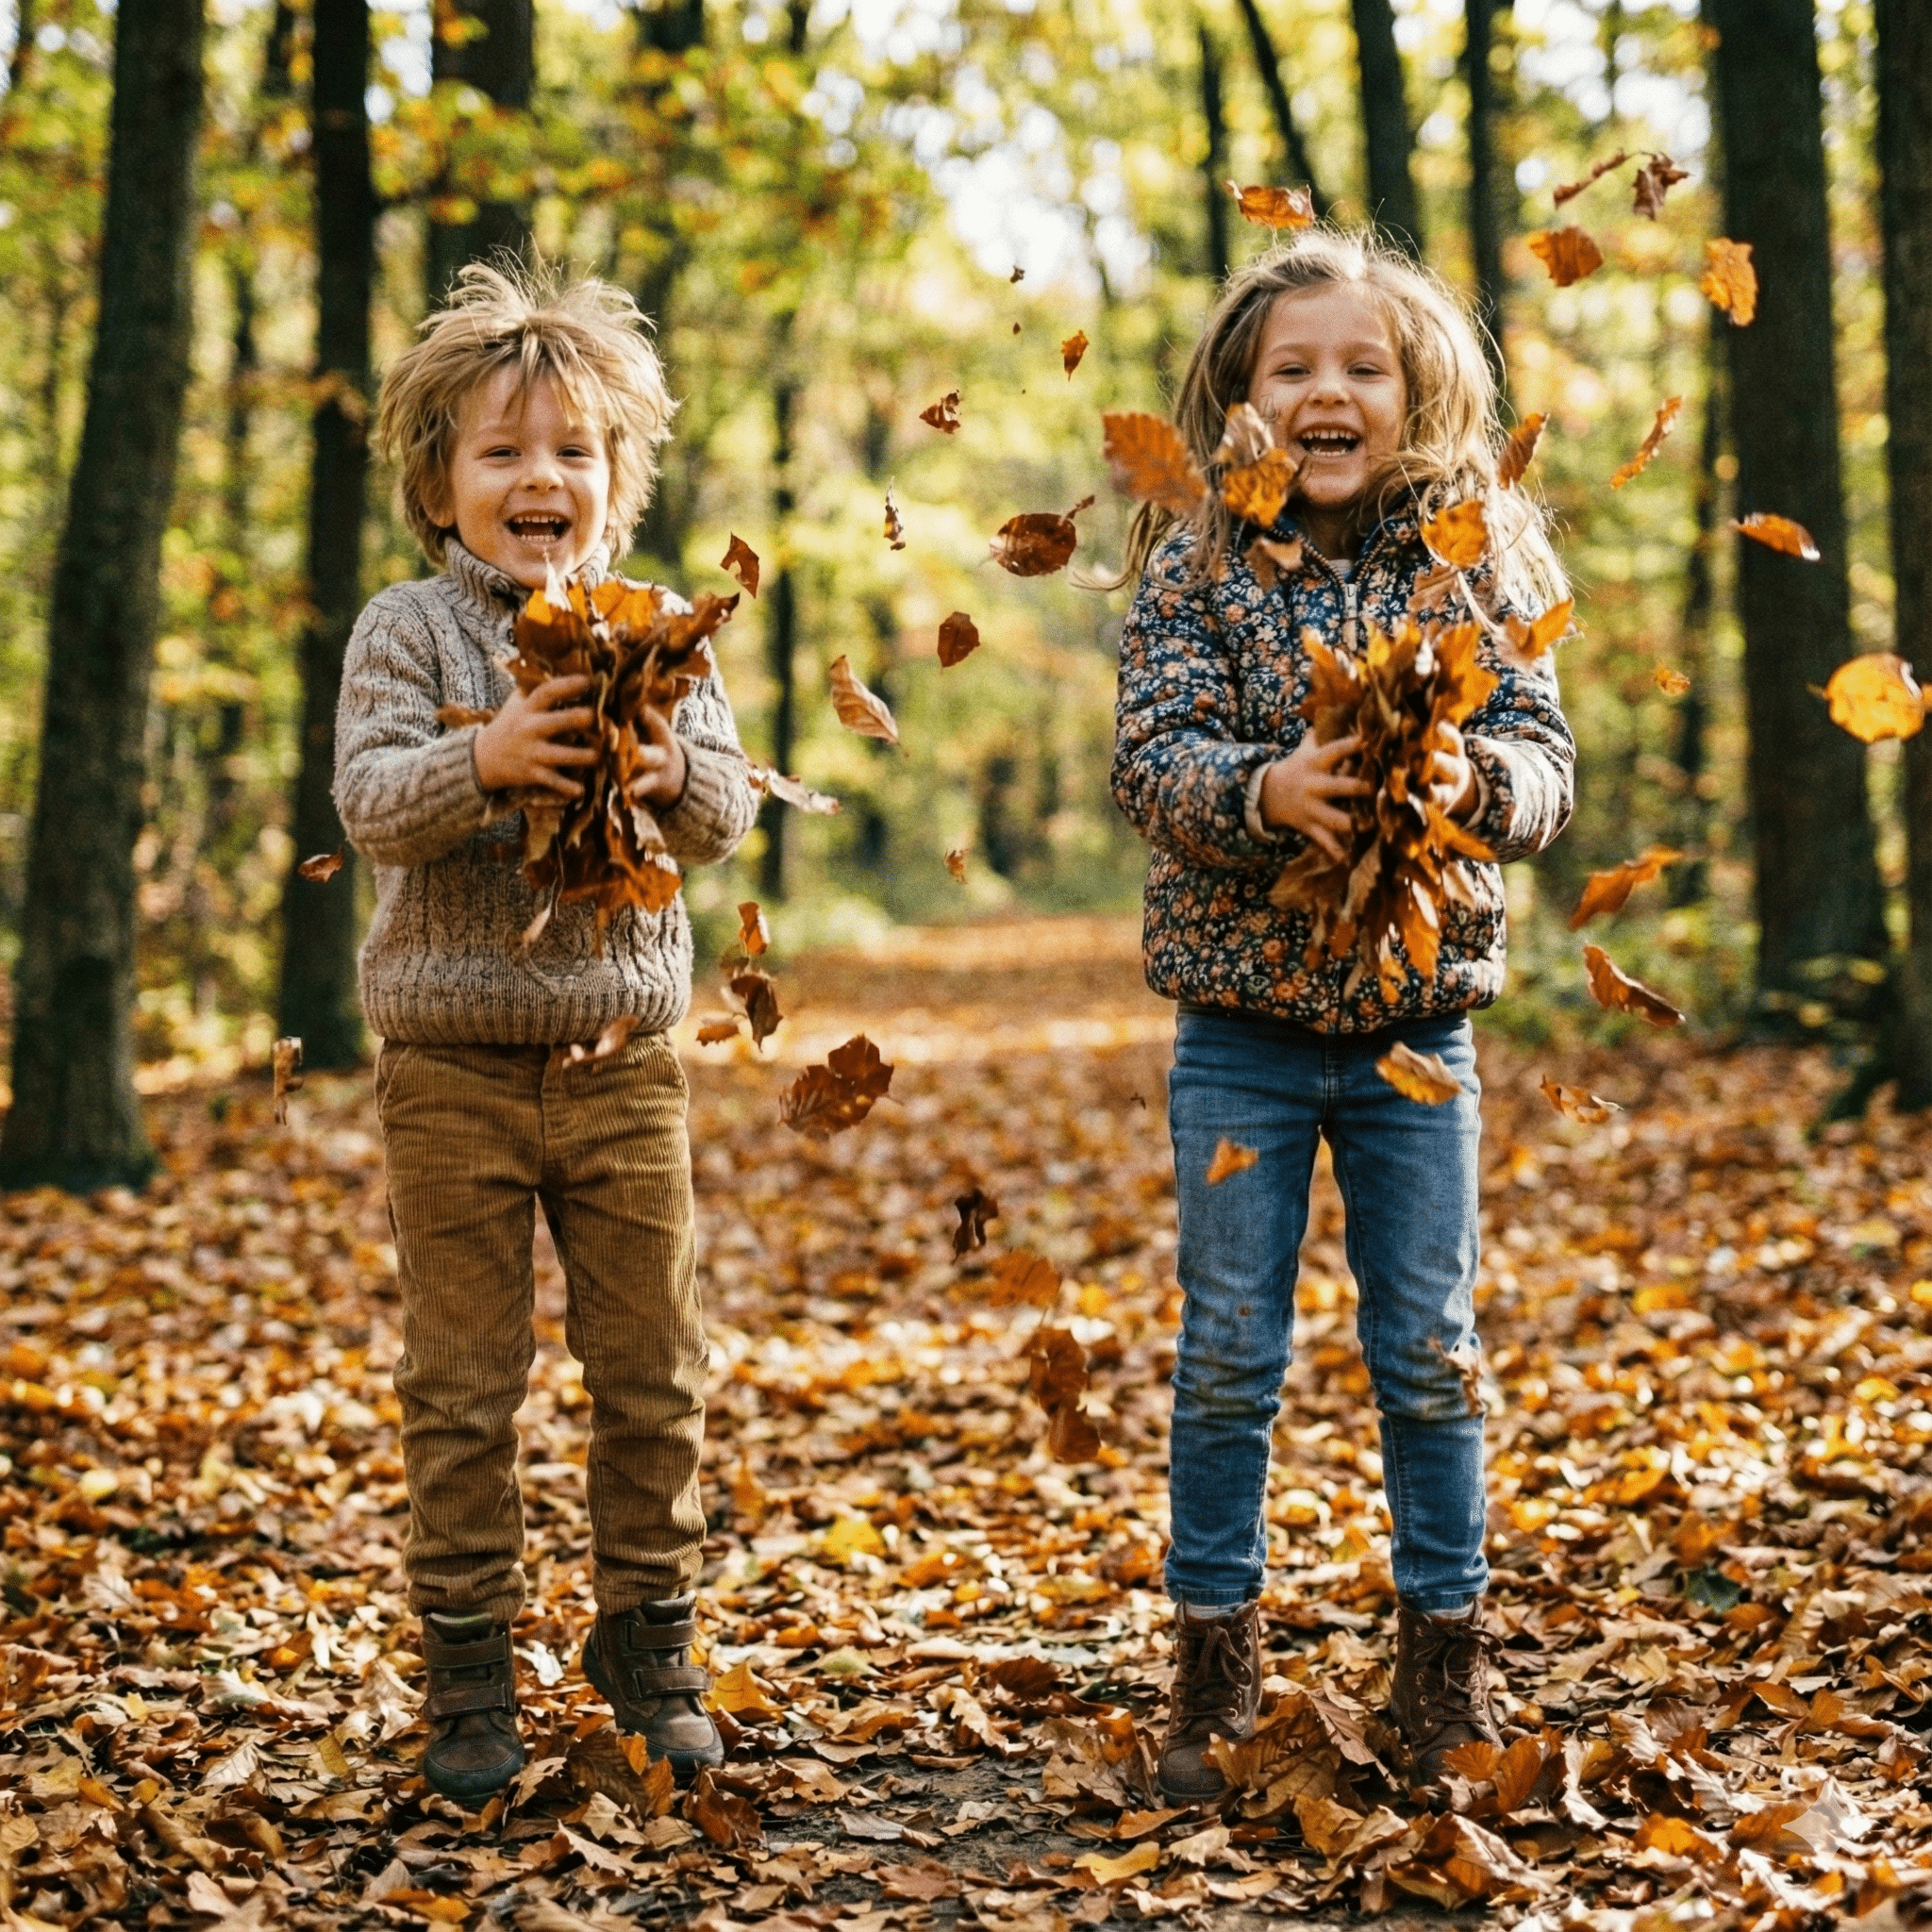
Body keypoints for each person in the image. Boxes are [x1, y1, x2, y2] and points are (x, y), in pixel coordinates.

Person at [1110, 229, 1574, 1804]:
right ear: (1240, 394)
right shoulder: (1195, 558)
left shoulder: (1473, 550)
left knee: (1428, 1348)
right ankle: (1212, 1665)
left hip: (1414, 1034)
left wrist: (1478, 784)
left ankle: (1446, 1653)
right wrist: (1261, 791)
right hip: (1237, 1030)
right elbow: (1147, 757)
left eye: (1361, 366)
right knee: (1230, 1347)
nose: (1328, 390)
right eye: (1292, 366)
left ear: (1417, 387)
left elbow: (1544, 760)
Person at [335, 262, 757, 1801]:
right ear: (438, 480)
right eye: (504, 452)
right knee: (463, 1381)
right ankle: (465, 1666)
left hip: (624, 1069)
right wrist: (490, 759)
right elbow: (372, 802)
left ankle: (649, 1636)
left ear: (618, 481)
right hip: (449, 1071)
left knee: (654, 1365)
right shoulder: (407, 631)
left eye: (573, 451)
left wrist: (662, 772)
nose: (541, 479)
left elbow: (718, 809)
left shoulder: (658, 628)